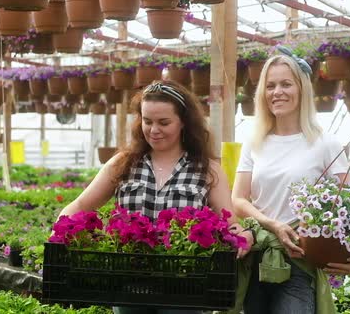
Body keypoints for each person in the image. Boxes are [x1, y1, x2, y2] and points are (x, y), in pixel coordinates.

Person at [56, 80, 253, 314]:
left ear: (183, 123)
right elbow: (80, 204)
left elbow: (227, 221)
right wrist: (58, 231)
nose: (153, 130)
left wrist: (242, 234)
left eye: (164, 122)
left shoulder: (207, 170)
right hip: (129, 286)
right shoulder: (124, 164)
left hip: (185, 288)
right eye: (147, 121)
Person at [231, 51, 350, 314]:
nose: (277, 92)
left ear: (301, 89)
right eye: (270, 86)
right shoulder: (255, 141)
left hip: (300, 259)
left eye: (285, 84)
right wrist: (271, 224)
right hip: (257, 255)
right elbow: (238, 199)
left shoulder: (326, 143)